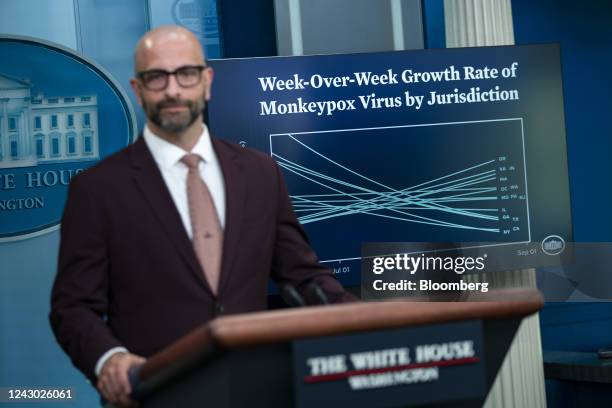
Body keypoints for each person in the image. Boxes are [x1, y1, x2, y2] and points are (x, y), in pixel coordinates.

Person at [50, 25, 355, 407]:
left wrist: (367, 324)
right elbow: (73, 307)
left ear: (207, 81)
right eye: (157, 77)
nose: (173, 90)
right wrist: (110, 360)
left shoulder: (261, 173)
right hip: (156, 394)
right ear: (138, 89)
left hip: (254, 392)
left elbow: (303, 276)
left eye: (186, 74)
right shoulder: (97, 189)